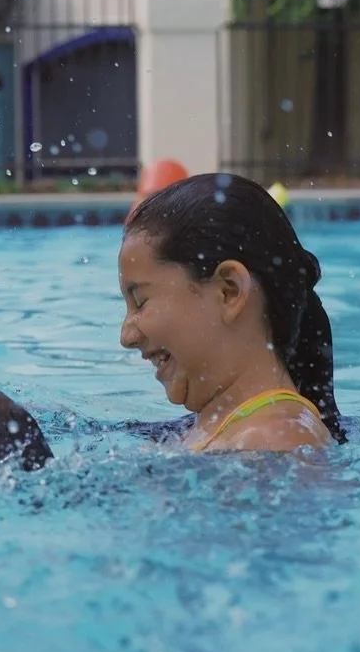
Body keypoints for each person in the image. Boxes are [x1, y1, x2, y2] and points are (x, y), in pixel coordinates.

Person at [118, 172, 344, 453]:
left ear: (229, 291)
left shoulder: (276, 439)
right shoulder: (223, 429)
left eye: (141, 302)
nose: (126, 336)